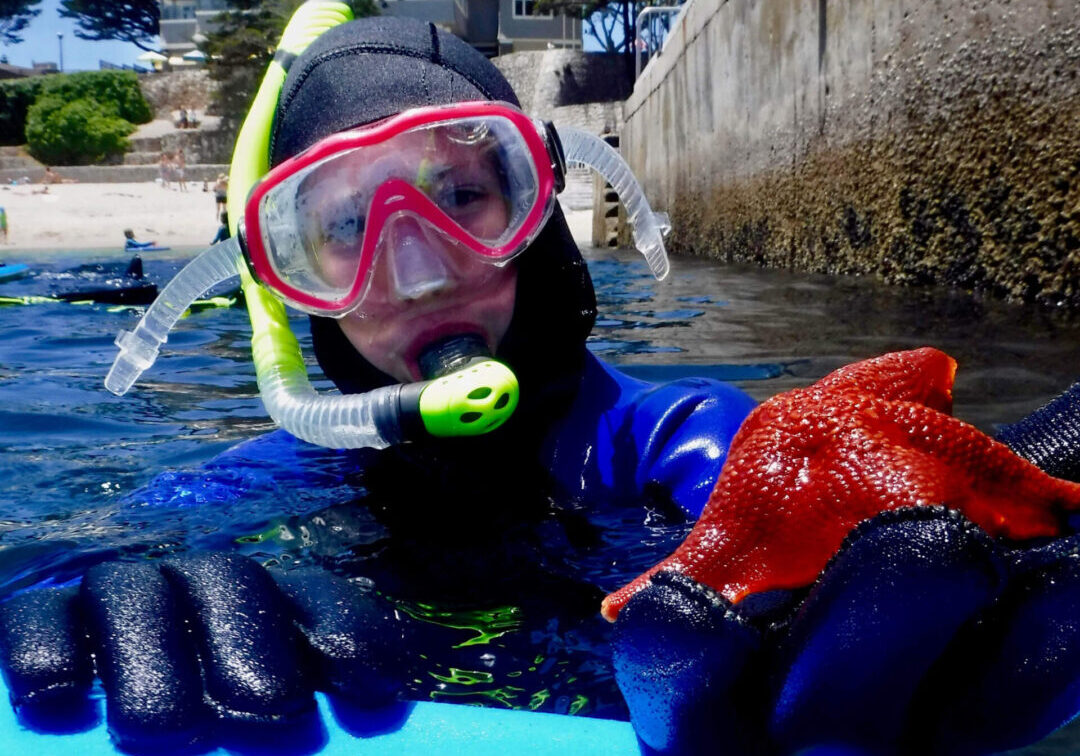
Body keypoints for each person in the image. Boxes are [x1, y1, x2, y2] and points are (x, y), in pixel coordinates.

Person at [3, 11, 1080, 756]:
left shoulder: (675, 441)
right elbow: (85, 556)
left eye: (465, 192)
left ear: (543, 205)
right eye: (342, 228)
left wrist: (828, 580)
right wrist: (62, 594)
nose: (417, 270)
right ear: (288, 282)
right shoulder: (262, 480)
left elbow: (772, 486)